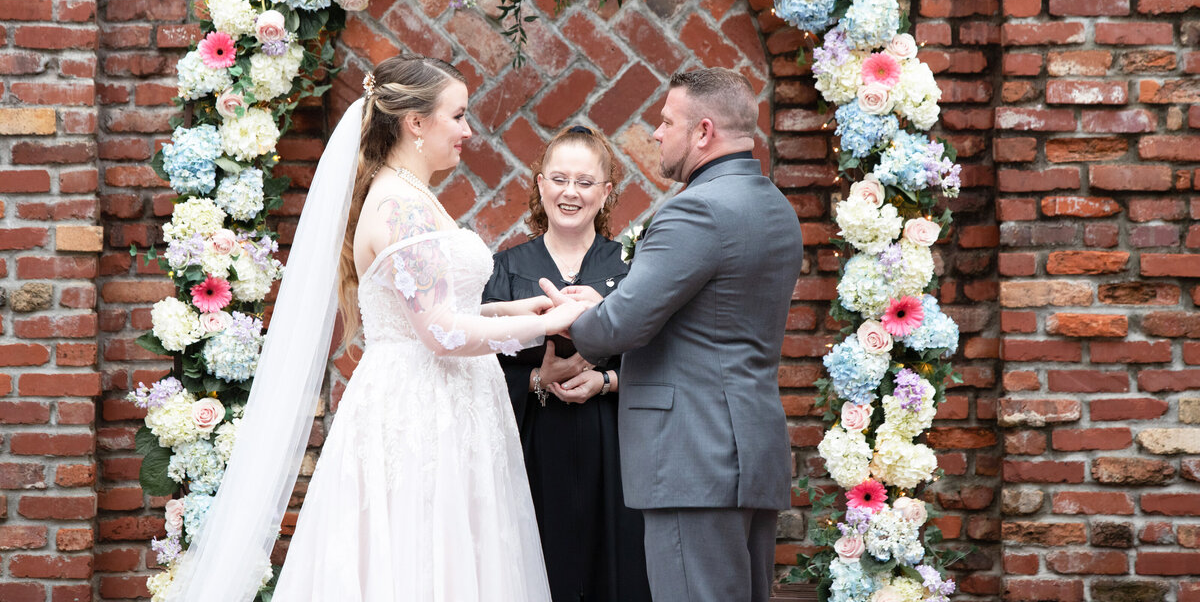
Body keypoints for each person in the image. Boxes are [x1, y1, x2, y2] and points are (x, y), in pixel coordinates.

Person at [165, 55, 586, 602]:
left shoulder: (412, 196)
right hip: (419, 408)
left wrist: (527, 309)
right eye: (457, 116)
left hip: (448, 400)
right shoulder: (400, 208)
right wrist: (554, 323)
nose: (467, 130)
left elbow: (443, 308)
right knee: (419, 560)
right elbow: (438, 333)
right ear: (416, 122)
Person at [543, 67, 804, 602]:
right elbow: (705, 313)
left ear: (703, 132)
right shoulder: (776, 208)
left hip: (693, 454)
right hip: (748, 448)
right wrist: (611, 303)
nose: (657, 133)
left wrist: (566, 319)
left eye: (667, 121)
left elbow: (622, 325)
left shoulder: (697, 210)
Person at [483, 125, 653, 602]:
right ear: (540, 184)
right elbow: (478, 366)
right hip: (532, 445)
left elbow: (662, 358)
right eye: (559, 179)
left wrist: (607, 381)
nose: (570, 192)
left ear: (606, 191)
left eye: (584, 181)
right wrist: (539, 378)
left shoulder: (635, 269)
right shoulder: (505, 269)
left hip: (615, 449)